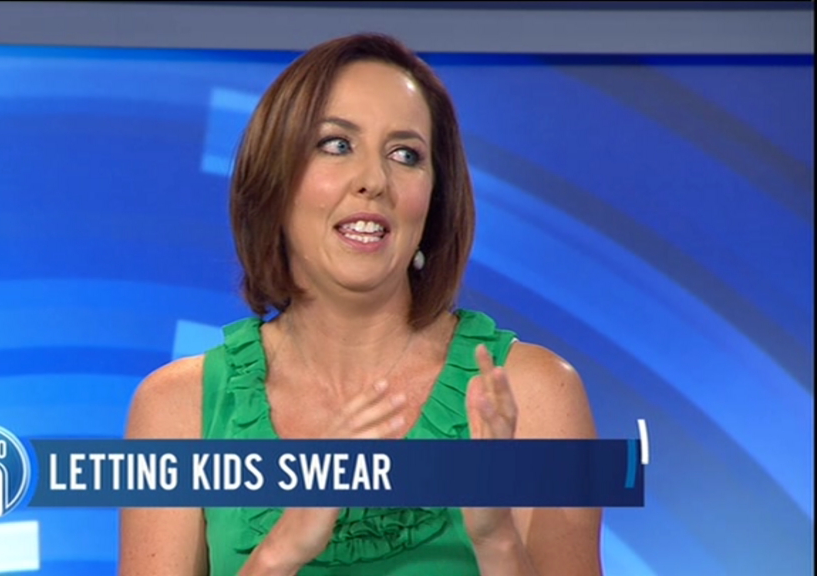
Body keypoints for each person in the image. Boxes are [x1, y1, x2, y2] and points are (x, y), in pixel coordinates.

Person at [119, 33, 601, 576]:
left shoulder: (533, 393)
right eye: (337, 144)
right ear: (275, 178)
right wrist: (282, 549)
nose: (374, 181)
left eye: (405, 155)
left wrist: (496, 540)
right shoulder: (179, 409)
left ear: (435, 199)